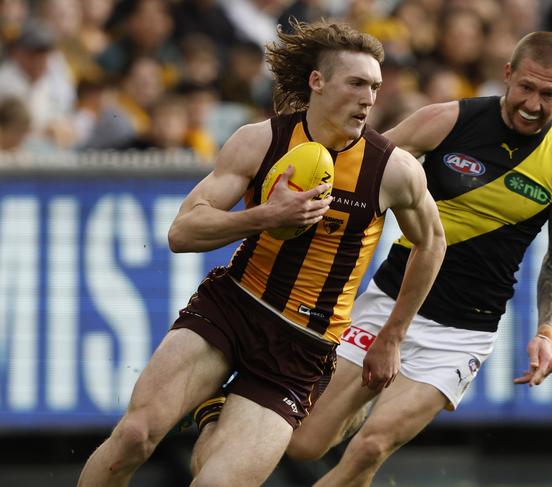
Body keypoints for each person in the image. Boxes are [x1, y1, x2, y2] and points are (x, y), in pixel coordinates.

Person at [76, 18, 446, 487]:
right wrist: (264, 217)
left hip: (302, 345)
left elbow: (432, 243)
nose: (369, 98)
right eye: (355, 83)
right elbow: (181, 233)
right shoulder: (261, 140)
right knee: (134, 435)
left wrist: (392, 336)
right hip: (231, 307)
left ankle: (216, 413)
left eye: (374, 86)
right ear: (318, 81)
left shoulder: (392, 169)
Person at [284, 30, 552, 486]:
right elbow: (364, 167)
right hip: (390, 302)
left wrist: (547, 331)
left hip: (463, 333)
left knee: (371, 447)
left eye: (548, 94)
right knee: (304, 444)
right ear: (508, 75)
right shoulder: (449, 120)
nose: (532, 103)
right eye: (526, 87)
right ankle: (361, 397)